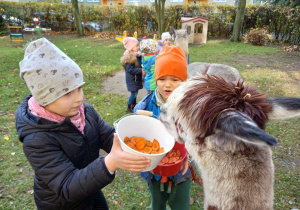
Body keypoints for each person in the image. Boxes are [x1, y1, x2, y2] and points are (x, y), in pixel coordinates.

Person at [15, 38, 150, 210]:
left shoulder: (86, 112)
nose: (80, 98)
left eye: (79, 88)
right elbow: (66, 186)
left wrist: (135, 147)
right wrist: (109, 163)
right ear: (44, 98)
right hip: (62, 204)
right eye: (67, 93)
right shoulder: (37, 139)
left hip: (90, 189)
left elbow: (108, 136)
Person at [133, 46, 192, 210]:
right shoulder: (144, 106)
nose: (168, 85)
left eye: (175, 79)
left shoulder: (191, 109)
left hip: (181, 171)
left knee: (181, 205)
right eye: (162, 78)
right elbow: (137, 135)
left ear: (184, 81)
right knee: (157, 205)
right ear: (156, 79)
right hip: (153, 172)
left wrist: (189, 156)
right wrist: (147, 161)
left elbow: (198, 138)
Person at [121, 37, 146, 113]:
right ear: (131, 48)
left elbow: (139, 64)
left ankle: (133, 104)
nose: (138, 47)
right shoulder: (129, 58)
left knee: (135, 93)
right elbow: (130, 70)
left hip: (135, 79)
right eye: (136, 46)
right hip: (132, 80)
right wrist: (140, 71)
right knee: (134, 94)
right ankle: (129, 106)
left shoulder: (137, 55)